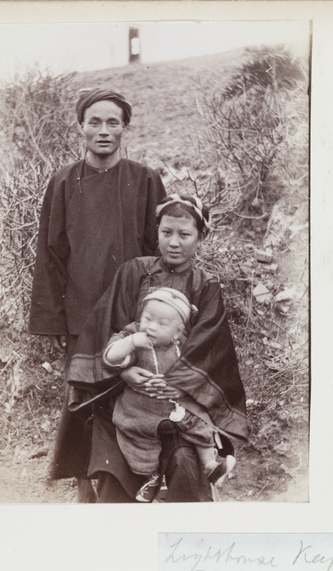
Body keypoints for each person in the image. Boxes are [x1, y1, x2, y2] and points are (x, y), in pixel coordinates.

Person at [29, 88, 166, 501]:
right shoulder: (63, 181)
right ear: (81, 127)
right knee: (83, 394)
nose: (103, 131)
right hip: (82, 311)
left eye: (113, 122)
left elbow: (157, 251)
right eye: (94, 121)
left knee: (130, 392)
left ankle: (127, 483)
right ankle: (84, 483)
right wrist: (53, 318)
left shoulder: (145, 179)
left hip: (131, 314)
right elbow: (50, 254)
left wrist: (154, 313)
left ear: (125, 127)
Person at [68, 193, 248, 503]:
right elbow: (109, 330)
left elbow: (209, 348)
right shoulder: (133, 272)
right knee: (115, 485)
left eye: (184, 234)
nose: (174, 242)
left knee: (186, 471)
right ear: (157, 232)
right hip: (125, 400)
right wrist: (125, 373)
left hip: (179, 403)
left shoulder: (205, 286)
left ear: (201, 238)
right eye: (166, 232)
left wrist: (175, 385)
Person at [104, 287, 236, 503]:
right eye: (147, 318)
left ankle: (209, 466)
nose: (151, 327)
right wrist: (132, 343)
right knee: (140, 441)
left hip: (177, 408)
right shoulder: (134, 337)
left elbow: (200, 373)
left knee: (202, 424)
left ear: (177, 332)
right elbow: (110, 357)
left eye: (162, 324)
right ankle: (152, 478)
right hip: (141, 407)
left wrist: (182, 386)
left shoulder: (183, 346)